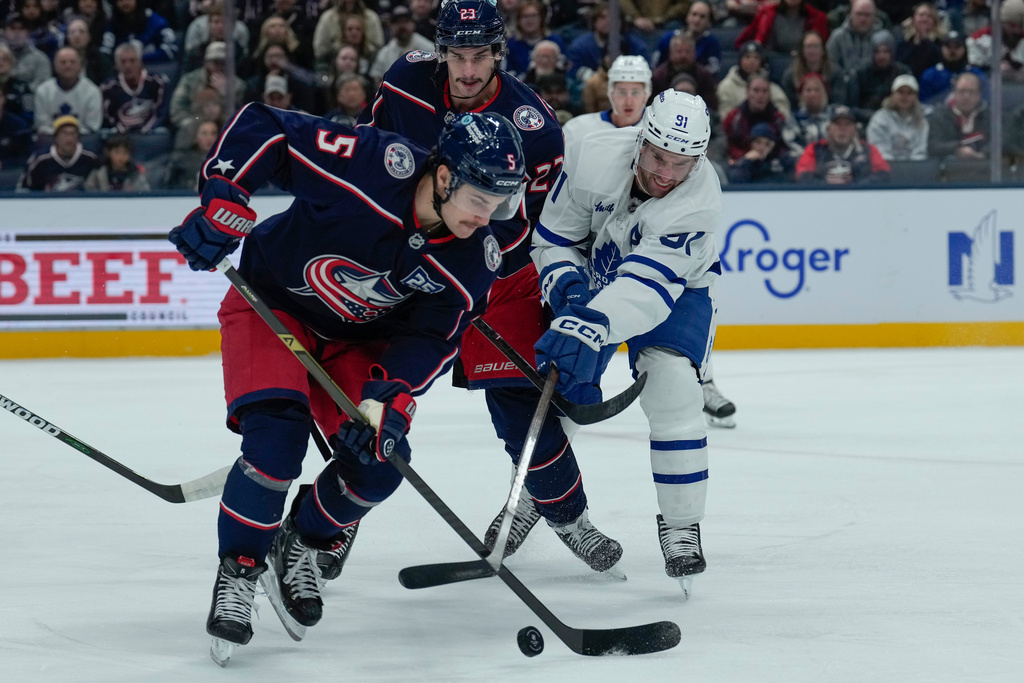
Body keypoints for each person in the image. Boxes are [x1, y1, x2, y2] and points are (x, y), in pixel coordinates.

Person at [167, 106, 526, 656]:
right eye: (482, 199)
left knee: (380, 466)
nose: (489, 216)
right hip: (273, 308)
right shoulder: (373, 164)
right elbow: (269, 129)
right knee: (274, 446)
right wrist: (225, 197)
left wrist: (391, 398)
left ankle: (302, 539)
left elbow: (434, 336)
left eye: (500, 203)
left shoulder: (475, 254)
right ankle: (240, 571)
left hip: (359, 345)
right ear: (446, 175)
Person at [360, 0, 624, 573]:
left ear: (498, 54)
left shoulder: (534, 126)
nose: (469, 70)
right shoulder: (406, 81)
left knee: (518, 406)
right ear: (442, 52)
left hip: (493, 272)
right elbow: (372, 157)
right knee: (364, 403)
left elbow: (536, 226)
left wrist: (470, 273)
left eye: (481, 56)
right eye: (458, 55)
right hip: (397, 264)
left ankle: (568, 516)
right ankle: (328, 531)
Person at [531, 90, 721, 593]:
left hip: (674, 291)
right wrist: (570, 289)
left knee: (673, 386)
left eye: (681, 164)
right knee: (564, 390)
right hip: (594, 275)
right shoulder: (592, 153)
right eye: (658, 156)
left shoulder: (699, 197)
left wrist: (588, 322)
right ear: (641, 140)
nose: (665, 174)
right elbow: (553, 238)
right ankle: (540, 496)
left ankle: (681, 527)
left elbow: (647, 289)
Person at [562, 55, 651, 170]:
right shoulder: (576, 129)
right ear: (611, 93)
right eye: (621, 92)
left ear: (646, 94)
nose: (629, 101)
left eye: (635, 92)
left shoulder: (658, 134)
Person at [796, 103, 891, 184]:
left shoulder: (868, 149)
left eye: (847, 124)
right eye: (838, 124)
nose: (842, 129)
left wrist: (855, 186)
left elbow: (883, 174)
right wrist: (826, 185)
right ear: (828, 129)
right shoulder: (814, 149)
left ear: (855, 130)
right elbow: (802, 176)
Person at [100, 40, 168, 133]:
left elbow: (161, 113)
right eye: (123, 62)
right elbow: (108, 117)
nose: (128, 66)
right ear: (117, 65)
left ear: (140, 62)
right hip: (121, 137)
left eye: (132, 61)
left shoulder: (157, 82)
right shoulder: (108, 88)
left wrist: (145, 130)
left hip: (149, 133)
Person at [33, 46, 103, 135]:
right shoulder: (43, 91)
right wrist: (62, 136)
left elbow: (92, 126)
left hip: (83, 139)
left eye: (72, 62)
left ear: (80, 65)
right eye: (63, 62)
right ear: (54, 66)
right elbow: (42, 125)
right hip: (51, 138)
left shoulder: (92, 91)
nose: (68, 66)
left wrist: (70, 135)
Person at [18, 114, 99, 191]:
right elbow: (25, 189)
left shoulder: (90, 158)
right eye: (64, 133)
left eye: (73, 134)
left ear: (78, 137)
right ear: (56, 137)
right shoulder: (40, 160)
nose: (69, 138)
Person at [716, 41, 790, 120]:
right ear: (740, 61)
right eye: (747, 57)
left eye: (756, 58)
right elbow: (724, 116)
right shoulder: (726, 87)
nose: (752, 61)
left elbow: (784, 114)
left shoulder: (771, 87)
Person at [723, 74, 789, 161]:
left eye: (765, 91)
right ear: (747, 92)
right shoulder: (733, 118)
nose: (760, 95)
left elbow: (784, 147)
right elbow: (728, 145)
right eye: (756, 90)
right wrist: (745, 157)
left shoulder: (779, 119)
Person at [651, 31, 719, 115]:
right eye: (679, 52)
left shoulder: (705, 76)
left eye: (687, 52)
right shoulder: (658, 77)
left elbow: (711, 107)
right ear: (671, 53)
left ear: (694, 53)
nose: (683, 56)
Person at [927, 71, 989, 161]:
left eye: (971, 92)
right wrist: (956, 149)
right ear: (954, 93)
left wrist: (985, 153)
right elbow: (933, 146)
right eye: (962, 91)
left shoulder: (991, 116)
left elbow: (1002, 141)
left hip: (985, 169)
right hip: (949, 171)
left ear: (979, 94)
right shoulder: (939, 116)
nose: (966, 96)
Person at [866, 73, 928, 160]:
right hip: (887, 168)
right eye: (900, 92)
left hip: (914, 169)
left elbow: (920, 151)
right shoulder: (879, 119)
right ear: (892, 94)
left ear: (915, 96)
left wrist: (911, 168)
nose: (904, 96)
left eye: (909, 93)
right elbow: (879, 150)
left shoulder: (921, 121)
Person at [652, 2, 722, 78]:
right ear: (687, 17)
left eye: (702, 17)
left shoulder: (712, 43)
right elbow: (655, 66)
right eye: (694, 14)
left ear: (708, 21)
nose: (697, 20)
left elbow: (713, 71)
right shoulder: (667, 38)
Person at [735, 0, 829, 55]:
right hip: (768, 63)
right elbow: (742, 42)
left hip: (803, 65)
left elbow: (822, 53)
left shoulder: (817, 18)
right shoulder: (766, 14)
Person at [368, 6, 433, 83]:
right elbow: (376, 78)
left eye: (406, 21)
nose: (402, 26)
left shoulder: (428, 48)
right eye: (398, 22)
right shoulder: (384, 53)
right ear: (391, 26)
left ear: (413, 24)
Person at [100, 0, 178, 64]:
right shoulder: (112, 24)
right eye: (120, 0)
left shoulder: (156, 21)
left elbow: (171, 50)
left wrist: (139, 59)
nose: (124, 3)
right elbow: (105, 53)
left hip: (153, 68)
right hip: (121, 72)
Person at [826, 0, 885, 76]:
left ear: (875, 16)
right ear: (851, 14)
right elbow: (830, 64)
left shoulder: (883, 38)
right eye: (859, 14)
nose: (863, 19)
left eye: (867, 15)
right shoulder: (838, 37)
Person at [727, 120, 796, 183]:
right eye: (758, 142)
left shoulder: (781, 161)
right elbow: (735, 180)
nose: (762, 147)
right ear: (751, 143)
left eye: (767, 144)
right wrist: (746, 161)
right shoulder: (744, 162)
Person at [782, 72, 831, 156]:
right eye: (808, 90)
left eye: (817, 90)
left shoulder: (835, 114)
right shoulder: (793, 119)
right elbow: (791, 144)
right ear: (801, 95)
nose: (813, 94)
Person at [163, 118, 218, 189]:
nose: (209, 138)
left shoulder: (225, 160)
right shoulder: (182, 161)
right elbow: (171, 186)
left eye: (213, 133)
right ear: (196, 136)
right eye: (204, 133)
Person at [83, 132, 150, 190]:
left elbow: (144, 194)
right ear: (109, 153)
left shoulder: (136, 174)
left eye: (125, 153)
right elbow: (89, 191)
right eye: (117, 152)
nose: (121, 157)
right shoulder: (98, 173)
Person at [895, 2, 942, 79]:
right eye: (921, 15)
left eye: (929, 16)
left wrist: (925, 41)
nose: (924, 19)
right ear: (913, 19)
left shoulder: (940, 42)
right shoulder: (904, 42)